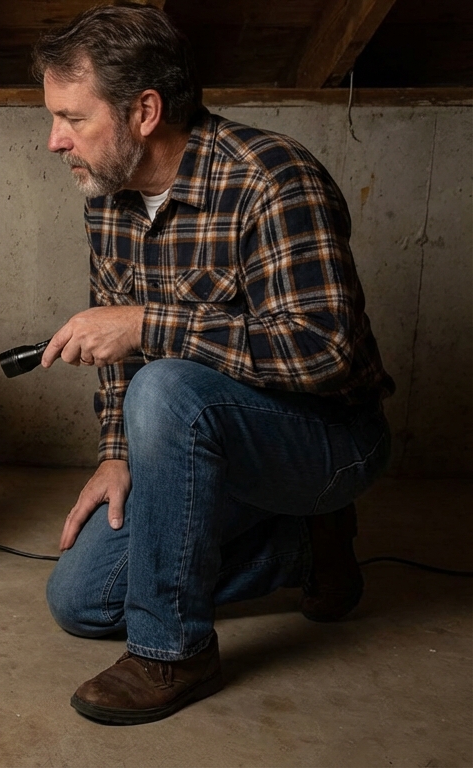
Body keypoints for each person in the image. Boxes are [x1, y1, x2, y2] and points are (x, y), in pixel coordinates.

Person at [31, 3, 395, 725]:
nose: (53, 141)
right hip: (203, 443)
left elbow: (326, 350)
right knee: (81, 600)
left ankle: (173, 653)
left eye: (73, 118)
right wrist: (115, 455)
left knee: (167, 382)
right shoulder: (109, 197)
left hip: (327, 441)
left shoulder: (272, 178)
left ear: (144, 110)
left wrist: (147, 324)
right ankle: (304, 546)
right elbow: (114, 345)